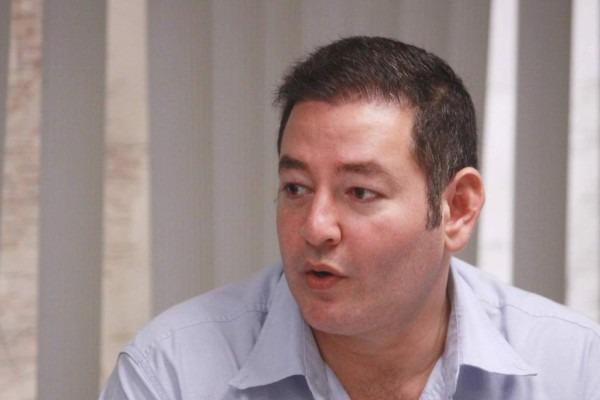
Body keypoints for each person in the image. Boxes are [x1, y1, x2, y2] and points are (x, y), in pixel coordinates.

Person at [100, 36, 600, 400]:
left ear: (458, 208)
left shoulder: (575, 370)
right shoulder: (172, 373)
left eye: (360, 192)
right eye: (296, 188)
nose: (315, 227)